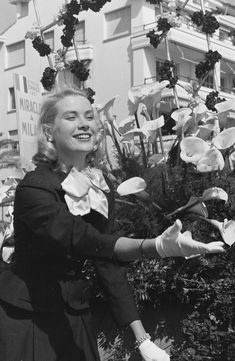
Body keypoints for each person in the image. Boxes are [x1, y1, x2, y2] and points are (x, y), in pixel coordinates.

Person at [0, 87, 225, 361]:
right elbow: (78, 238)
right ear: (49, 132)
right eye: (71, 117)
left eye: (88, 116)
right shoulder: (34, 187)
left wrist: (142, 339)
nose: (84, 123)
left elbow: (106, 262)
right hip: (27, 318)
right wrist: (156, 247)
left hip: (73, 315)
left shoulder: (99, 185)